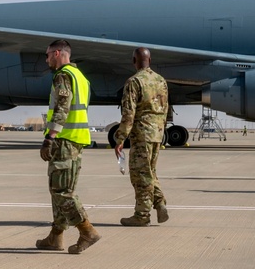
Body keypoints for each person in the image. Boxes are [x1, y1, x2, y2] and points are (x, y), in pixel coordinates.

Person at [36, 39, 100, 254]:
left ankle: (87, 230)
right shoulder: (81, 77)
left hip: (64, 140)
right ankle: (56, 236)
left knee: (61, 191)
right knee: (60, 190)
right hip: (77, 139)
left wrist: (49, 138)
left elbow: (63, 107)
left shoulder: (63, 75)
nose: (46, 60)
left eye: (47, 55)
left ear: (56, 53)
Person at [114, 47, 169, 227]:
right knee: (150, 171)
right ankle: (159, 203)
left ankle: (142, 214)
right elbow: (165, 109)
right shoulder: (161, 81)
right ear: (150, 61)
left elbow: (128, 113)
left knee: (140, 175)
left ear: (134, 61)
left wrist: (120, 138)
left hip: (142, 134)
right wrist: (160, 129)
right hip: (157, 133)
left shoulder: (134, 82)